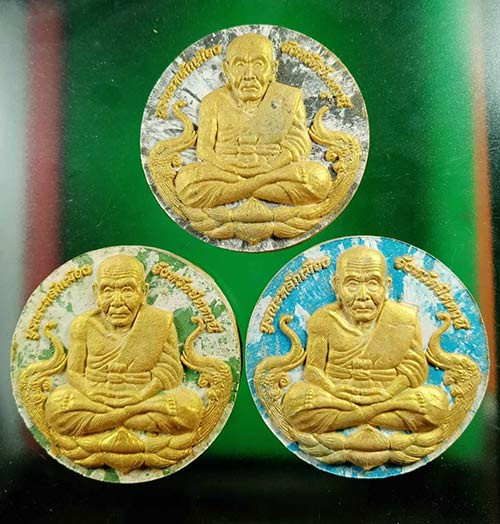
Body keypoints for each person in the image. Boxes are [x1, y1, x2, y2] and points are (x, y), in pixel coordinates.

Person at [282, 246, 449, 434]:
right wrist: (333, 390)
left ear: (386, 286)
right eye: (352, 283)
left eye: (373, 283)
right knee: (295, 402)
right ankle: (372, 415)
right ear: (337, 286)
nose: (363, 296)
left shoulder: (402, 319)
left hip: (388, 396)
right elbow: (313, 369)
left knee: (436, 404)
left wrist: (388, 394)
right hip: (338, 396)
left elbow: (414, 369)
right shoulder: (323, 319)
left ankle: (354, 417)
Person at [45, 254, 203, 438]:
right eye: (107, 290)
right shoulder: (83, 324)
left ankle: (109, 419)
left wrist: (140, 396)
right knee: (57, 406)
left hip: (143, 397)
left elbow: (171, 373)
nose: (117, 301)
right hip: (96, 398)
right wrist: (92, 392)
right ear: (96, 293)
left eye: (127, 290)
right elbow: (73, 373)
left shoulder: (159, 322)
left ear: (143, 292)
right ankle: (126, 417)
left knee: (189, 409)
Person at [175, 33, 331, 208]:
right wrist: (231, 170)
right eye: (240, 65)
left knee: (318, 179)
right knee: (186, 180)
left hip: (273, 171)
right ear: (227, 70)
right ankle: (255, 188)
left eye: (259, 64)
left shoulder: (288, 98)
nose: (249, 75)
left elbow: (298, 145)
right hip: (227, 173)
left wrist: (269, 168)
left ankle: (239, 190)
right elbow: (204, 150)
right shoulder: (212, 101)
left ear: (273, 69)